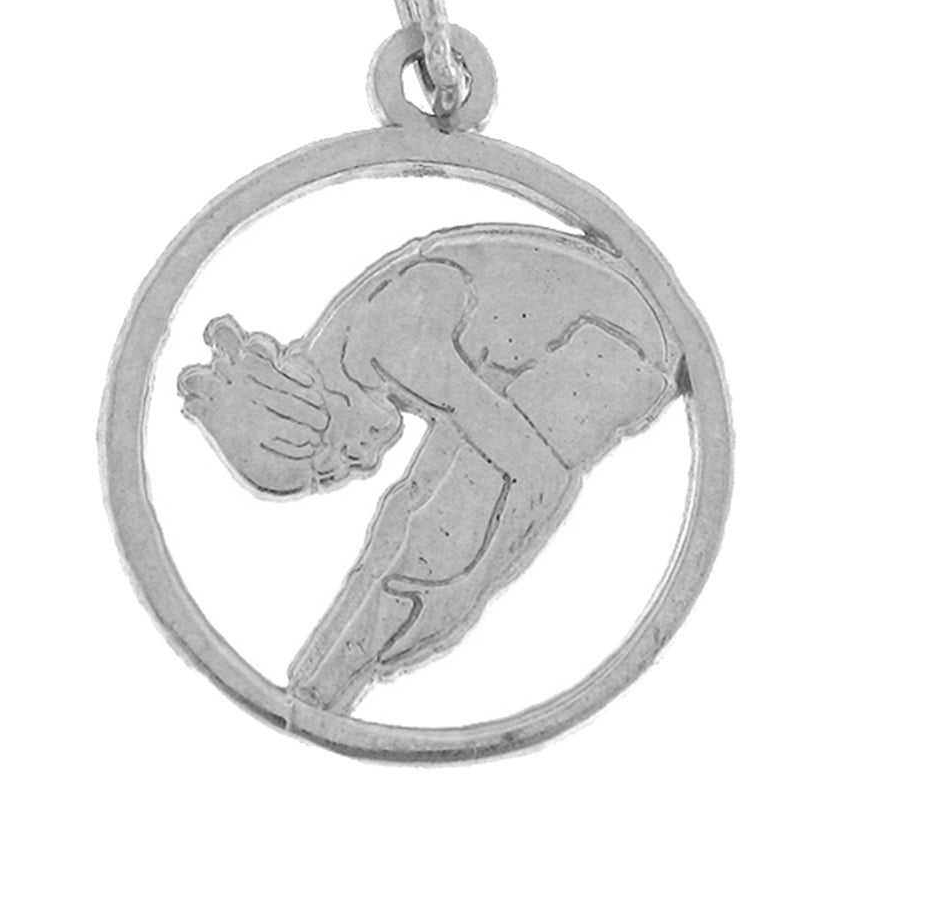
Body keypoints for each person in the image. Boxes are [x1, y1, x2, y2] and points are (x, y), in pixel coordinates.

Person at [177, 224, 679, 714]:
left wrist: (477, 570)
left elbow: (534, 470)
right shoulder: (359, 340)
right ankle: (322, 683)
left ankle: (329, 687)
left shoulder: (391, 343)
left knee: (446, 531)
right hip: (539, 356)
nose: (364, 463)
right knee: (416, 515)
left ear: (308, 409)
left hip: (612, 343)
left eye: (330, 463)